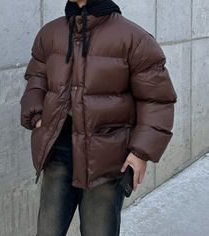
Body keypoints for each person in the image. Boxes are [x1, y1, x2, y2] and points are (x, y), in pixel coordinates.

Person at [20, 0, 177, 235]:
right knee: (48, 231)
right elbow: (36, 78)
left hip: (107, 156)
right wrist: (37, 116)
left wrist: (140, 152)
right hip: (58, 150)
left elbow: (156, 99)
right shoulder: (50, 33)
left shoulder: (134, 38)